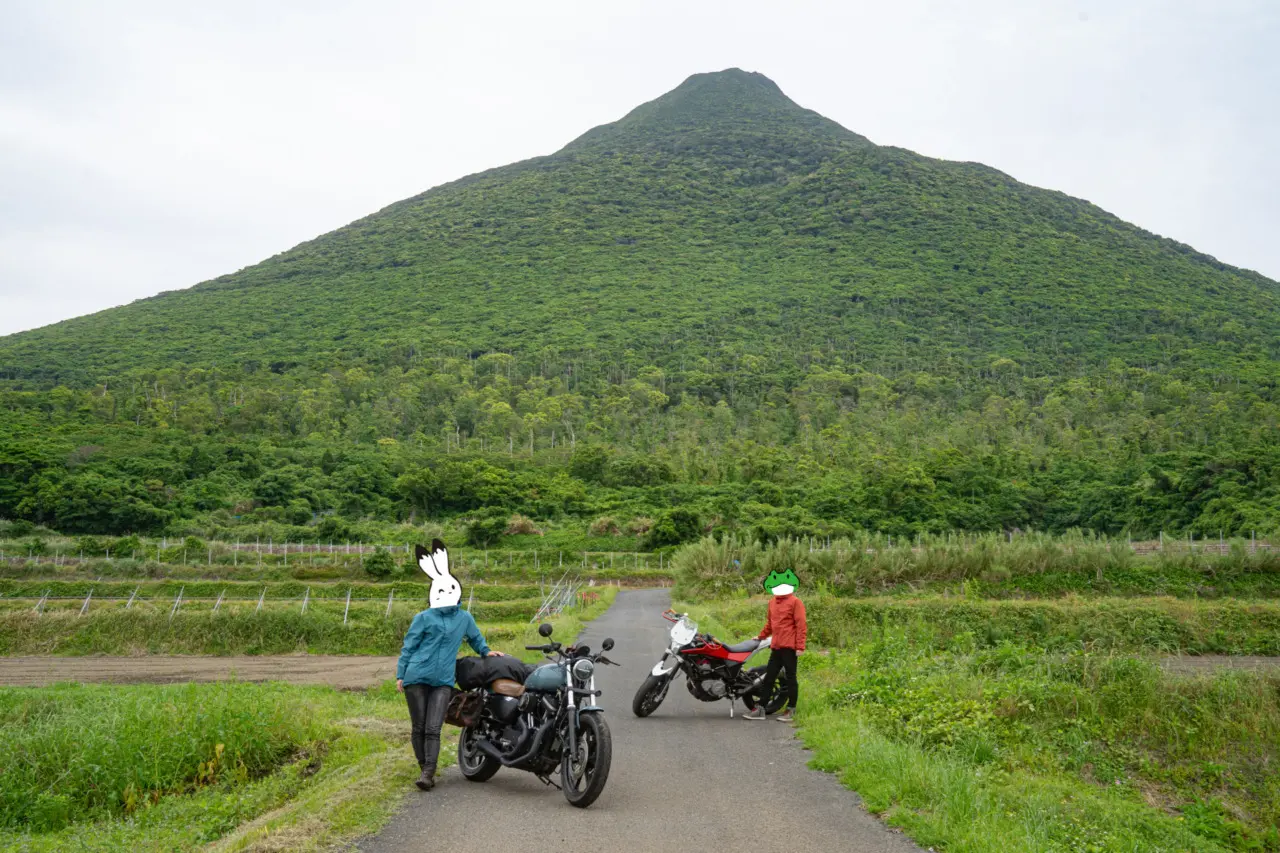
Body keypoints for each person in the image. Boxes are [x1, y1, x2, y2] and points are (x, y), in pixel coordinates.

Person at [397, 540, 504, 791]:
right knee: (419, 726)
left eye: (450, 588)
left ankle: (428, 773)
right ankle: (425, 766)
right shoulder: (423, 617)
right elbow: (408, 647)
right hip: (416, 676)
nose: (445, 592)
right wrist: (401, 674)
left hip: (443, 680)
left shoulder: (464, 617)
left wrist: (488, 651)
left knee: (434, 727)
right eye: (441, 589)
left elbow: (476, 639)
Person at [743, 568, 806, 722]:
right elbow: (770, 624)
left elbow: (801, 625)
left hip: (790, 648)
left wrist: (800, 646)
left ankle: (791, 710)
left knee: (791, 678)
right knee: (769, 677)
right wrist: (761, 636)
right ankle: (761, 709)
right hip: (776, 646)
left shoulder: (796, 602)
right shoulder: (772, 602)